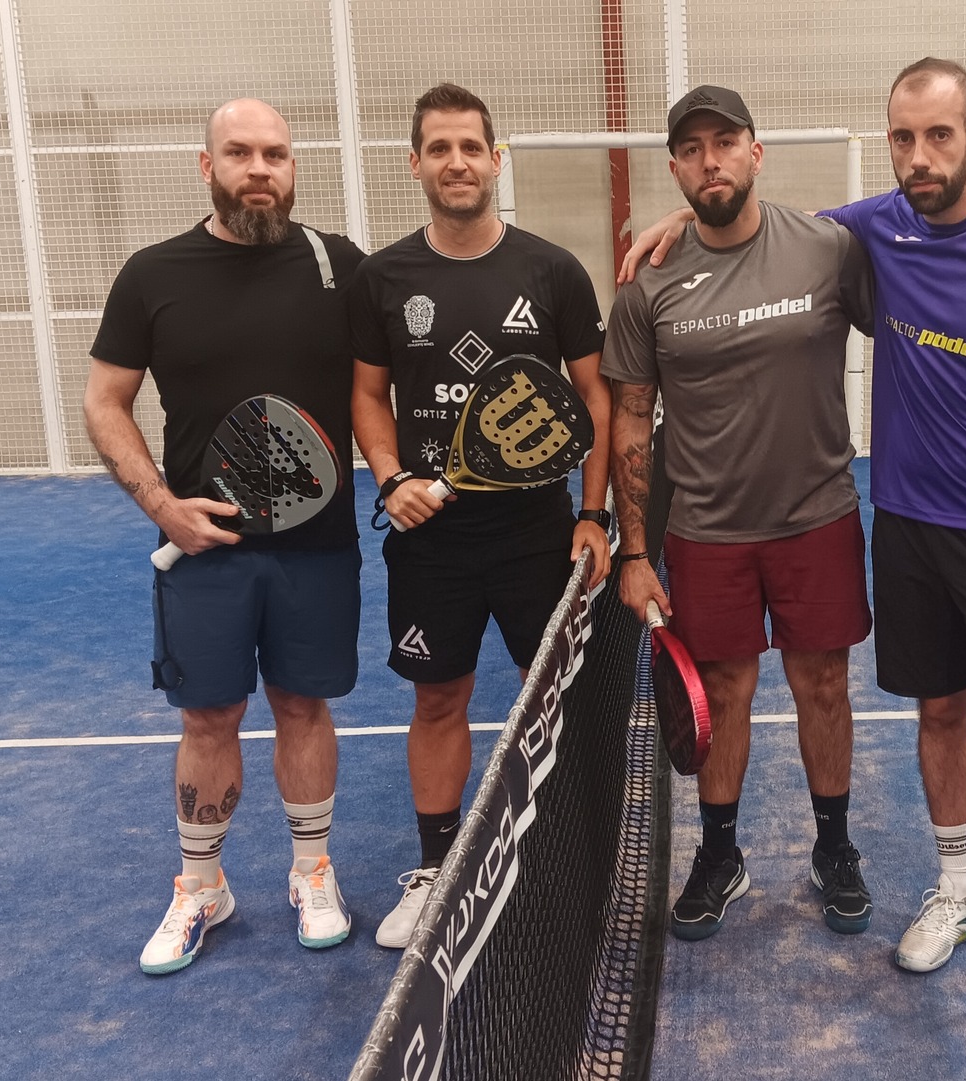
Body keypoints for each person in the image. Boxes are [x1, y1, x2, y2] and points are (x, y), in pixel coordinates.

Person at [624, 58, 966, 1037]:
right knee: (939, 714)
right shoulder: (871, 229)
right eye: (903, 137)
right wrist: (684, 220)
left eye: (939, 135)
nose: (920, 156)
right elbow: (752, 230)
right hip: (910, 525)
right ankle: (958, 889)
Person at [83, 98, 366, 975]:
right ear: (206, 166)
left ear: (293, 166)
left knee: (302, 705)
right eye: (239, 153)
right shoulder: (152, 274)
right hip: (203, 548)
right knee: (208, 715)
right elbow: (104, 401)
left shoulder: (340, 266)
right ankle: (202, 885)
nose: (259, 169)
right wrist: (161, 504)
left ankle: (311, 871)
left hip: (318, 545)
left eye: (275, 154)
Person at [603, 86, 878, 942]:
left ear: (756, 152)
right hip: (706, 530)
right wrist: (634, 551)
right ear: (676, 168)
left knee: (823, 684)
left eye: (725, 142)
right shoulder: (648, 283)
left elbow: (921, 319)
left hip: (817, 516)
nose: (710, 159)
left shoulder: (828, 248)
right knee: (722, 692)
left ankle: (834, 847)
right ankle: (720, 854)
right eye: (691, 149)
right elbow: (631, 418)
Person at [347, 83, 612, 949]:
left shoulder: (552, 271)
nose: (456, 162)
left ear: (496, 160)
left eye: (471, 147)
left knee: (551, 697)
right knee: (439, 697)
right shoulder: (383, 279)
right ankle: (435, 867)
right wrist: (391, 478)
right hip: (431, 539)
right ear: (415, 163)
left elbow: (595, 401)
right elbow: (368, 393)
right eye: (439, 148)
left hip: (537, 531)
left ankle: (564, 856)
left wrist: (595, 513)